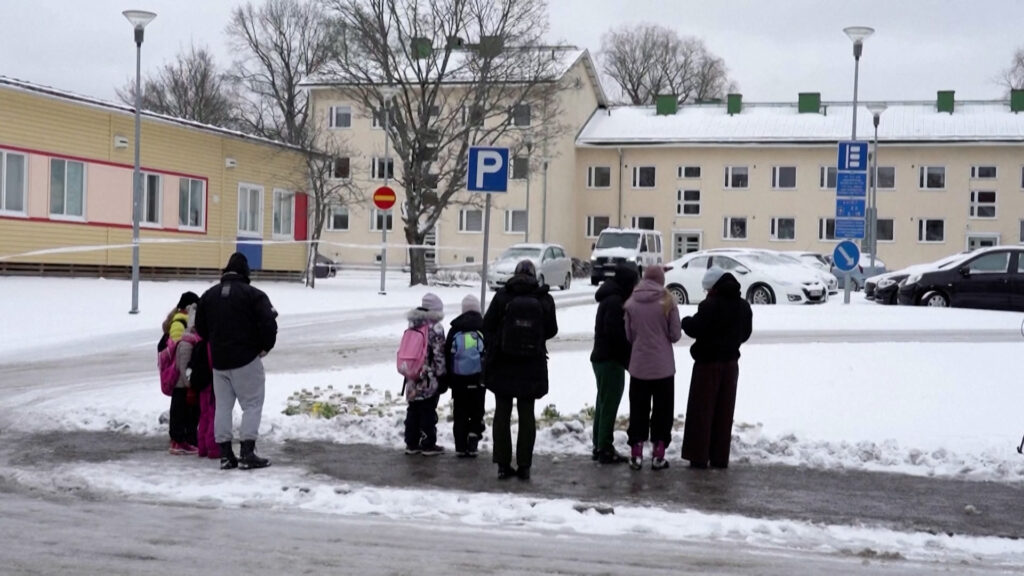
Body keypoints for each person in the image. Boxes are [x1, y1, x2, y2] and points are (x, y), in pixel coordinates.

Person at [195, 252, 278, 470]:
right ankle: (247, 452)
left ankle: (225, 454)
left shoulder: (208, 296)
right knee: (252, 404)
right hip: (246, 359)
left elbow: (201, 328)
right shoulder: (254, 295)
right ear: (245, 272)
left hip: (219, 363)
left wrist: (215, 342)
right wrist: (264, 347)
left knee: (222, 407)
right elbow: (269, 323)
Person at [483, 260, 558, 480]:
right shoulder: (544, 298)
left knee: (502, 413)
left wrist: (498, 342)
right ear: (534, 275)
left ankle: (503, 465)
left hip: (503, 362)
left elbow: (487, 325)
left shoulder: (503, 296)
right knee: (527, 414)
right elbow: (552, 329)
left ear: (515, 274)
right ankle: (524, 464)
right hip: (531, 363)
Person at [680, 266, 753, 469]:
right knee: (724, 411)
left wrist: (685, 321)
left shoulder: (709, 305)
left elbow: (695, 328)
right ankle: (720, 457)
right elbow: (745, 334)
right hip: (731, 365)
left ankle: (699, 456)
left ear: (714, 287)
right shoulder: (743, 306)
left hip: (707, 365)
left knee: (702, 411)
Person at [624, 265, 681, 471]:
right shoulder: (668, 301)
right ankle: (658, 454)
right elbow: (675, 334)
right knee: (662, 410)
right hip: (663, 368)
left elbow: (629, 336)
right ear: (661, 280)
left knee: (638, 409)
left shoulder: (631, 302)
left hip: (639, 366)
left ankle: (636, 453)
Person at [590, 262, 639, 464]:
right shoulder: (616, 302)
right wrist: (629, 357)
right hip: (611, 360)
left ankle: (599, 444)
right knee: (609, 404)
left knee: (603, 402)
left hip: (602, 358)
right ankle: (605, 448)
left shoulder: (609, 298)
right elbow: (616, 334)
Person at [402, 293, 448, 456]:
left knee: (413, 408)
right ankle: (428, 444)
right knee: (428, 410)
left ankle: (411, 443)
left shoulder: (413, 324)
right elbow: (439, 354)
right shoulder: (435, 328)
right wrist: (442, 375)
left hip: (412, 375)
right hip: (429, 377)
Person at [443, 294, 486, 458]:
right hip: (478, 379)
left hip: (458, 380)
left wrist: (449, 379)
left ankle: (460, 446)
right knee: (476, 411)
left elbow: (447, 354)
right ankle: (473, 439)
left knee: (460, 412)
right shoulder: (483, 328)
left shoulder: (455, 329)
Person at [163, 291, 200, 455]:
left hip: (181, 373)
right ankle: (179, 441)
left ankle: (182, 440)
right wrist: (186, 376)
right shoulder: (179, 323)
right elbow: (180, 351)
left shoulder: (179, 320)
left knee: (183, 409)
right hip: (180, 375)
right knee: (181, 409)